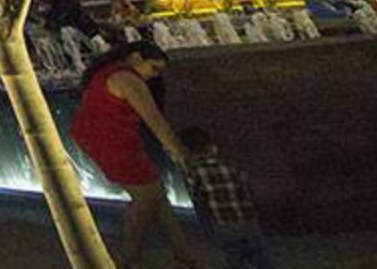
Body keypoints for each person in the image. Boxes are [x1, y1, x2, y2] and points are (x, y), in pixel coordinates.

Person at [70, 42, 200, 269]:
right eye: (154, 68)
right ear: (137, 57)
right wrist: (179, 153)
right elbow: (155, 120)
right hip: (113, 144)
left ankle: (184, 257)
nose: (154, 76)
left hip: (110, 141)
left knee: (158, 197)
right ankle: (131, 259)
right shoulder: (126, 79)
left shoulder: (109, 73)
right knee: (146, 198)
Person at [180, 127, 276, 269]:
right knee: (261, 257)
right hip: (248, 220)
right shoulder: (230, 166)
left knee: (234, 258)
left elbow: (197, 199)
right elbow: (248, 189)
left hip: (223, 224)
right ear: (211, 147)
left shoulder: (194, 172)